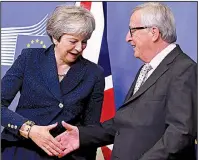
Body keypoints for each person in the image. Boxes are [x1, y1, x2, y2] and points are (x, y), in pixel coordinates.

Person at [55, 2, 197, 160]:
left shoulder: (184, 70)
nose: (127, 38)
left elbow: (181, 133)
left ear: (154, 32)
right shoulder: (148, 69)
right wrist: (81, 135)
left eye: (132, 30)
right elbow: (124, 123)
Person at [1, 5, 105, 160]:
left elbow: (89, 131)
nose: (79, 48)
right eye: (73, 41)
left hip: (65, 155)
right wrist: (29, 129)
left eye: (84, 42)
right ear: (56, 38)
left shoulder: (94, 73)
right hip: (21, 149)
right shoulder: (29, 58)